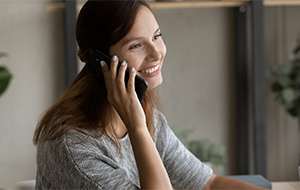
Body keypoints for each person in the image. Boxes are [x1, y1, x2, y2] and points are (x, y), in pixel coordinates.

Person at [33, 0, 268, 189]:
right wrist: (137, 127)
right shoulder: (73, 145)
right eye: (136, 45)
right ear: (99, 60)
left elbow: (208, 183)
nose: (157, 53)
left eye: (156, 36)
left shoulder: (148, 116)